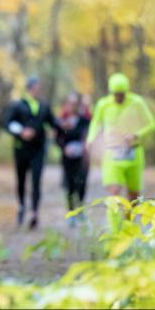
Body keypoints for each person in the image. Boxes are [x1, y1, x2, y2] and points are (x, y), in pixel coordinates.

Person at [85, 73, 155, 202]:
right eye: (116, 94)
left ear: (127, 91)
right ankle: (114, 223)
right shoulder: (103, 104)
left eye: (122, 94)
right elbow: (96, 122)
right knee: (114, 194)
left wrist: (136, 135)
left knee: (133, 198)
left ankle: (128, 222)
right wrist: (90, 139)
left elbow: (152, 125)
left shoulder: (137, 102)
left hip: (134, 153)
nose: (119, 97)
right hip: (112, 152)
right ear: (111, 92)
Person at [1, 76, 59, 229]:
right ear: (30, 88)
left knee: (36, 180)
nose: (38, 89)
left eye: (39, 87)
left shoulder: (44, 106)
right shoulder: (17, 105)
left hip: (38, 149)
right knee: (21, 180)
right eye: (36, 86)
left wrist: (66, 127)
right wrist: (21, 132)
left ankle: (34, 212)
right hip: (21, 149)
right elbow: (6, 123)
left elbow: (54, 123)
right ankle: (21, 206)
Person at [55, 92, 91, 225]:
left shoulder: (84, 120)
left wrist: (85, 145)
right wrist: (64, 147)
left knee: (81, 184)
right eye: (70, 103)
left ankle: (81, 210)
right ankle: (71, 212)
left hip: (83, 159)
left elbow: (89, 135)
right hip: (68, 158)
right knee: (69, 185)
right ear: (66, 105)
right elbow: (57, 139)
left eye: (75, 104)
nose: (72, 106)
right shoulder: (61, 122)